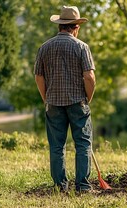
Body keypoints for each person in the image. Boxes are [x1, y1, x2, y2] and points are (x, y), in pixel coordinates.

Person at [34, 6, 96, 193]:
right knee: (83, 144)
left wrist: (47, 97)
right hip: (78, 102)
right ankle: (83, 186)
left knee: (56, 146)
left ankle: (60, 186)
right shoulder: (82, 47)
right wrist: (88, 98)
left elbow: (38, 77)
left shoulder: (44, 47)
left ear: (60, 26)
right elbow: (89, 77)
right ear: (76, 27)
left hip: (53, 103)